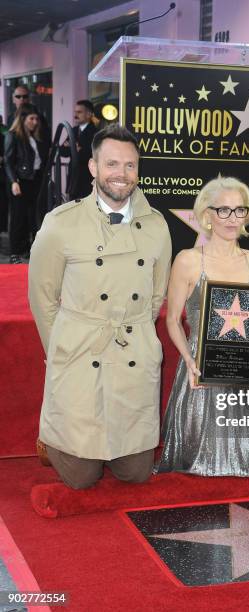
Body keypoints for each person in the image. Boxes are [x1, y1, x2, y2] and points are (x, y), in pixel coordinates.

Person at [28, 124, 172, 489]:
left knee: (136, 474)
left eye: (129, 166)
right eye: (111, 164)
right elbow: (42, 298)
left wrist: (135, 332)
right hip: (80, 349)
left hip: (131, 352)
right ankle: (55, 439)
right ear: (93, 167)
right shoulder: (61, 224)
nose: (120, 175)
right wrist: (60, 348)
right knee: (81, 479)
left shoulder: (157, 226)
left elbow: (156, 296)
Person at [158, 176, 249, 477]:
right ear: (207, 215)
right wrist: (189, 359)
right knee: (195, 465)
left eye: (239, 210)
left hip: (238, 370)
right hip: (198, 369)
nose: (232, 218)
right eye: (223, 210)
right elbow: (172, 320)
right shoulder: (187, 261)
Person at [4, 103, 49, 263]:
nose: (35, 122)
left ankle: (29, 249)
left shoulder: (35, 137)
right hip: (20, 181)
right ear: (22, 119)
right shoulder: (13, 135)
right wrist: (13, 181)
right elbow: (8, 161)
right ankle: (15, 253)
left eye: (36, 119)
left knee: (32, 216)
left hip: (34, 180)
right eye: (31, 118)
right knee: (18, 217)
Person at [61, 100, 98, 198]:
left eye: (79, 112)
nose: (76, 115)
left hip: (87, 179)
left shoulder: (95, 133)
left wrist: (74, 149)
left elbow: (92, 154)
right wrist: (75, 149)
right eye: (75, 112)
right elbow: (62, 152)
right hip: (73, 178)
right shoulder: (73, 130)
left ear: (89, 114)